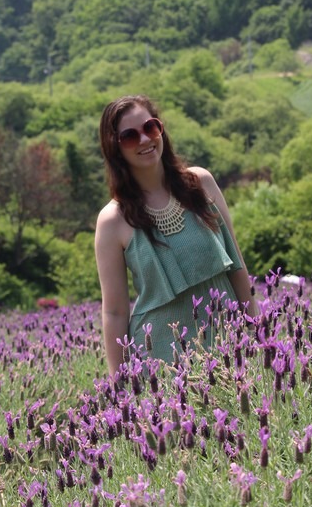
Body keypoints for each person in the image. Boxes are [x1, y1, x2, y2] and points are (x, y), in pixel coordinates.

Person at [95, 94, 258, 375]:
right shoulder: (112, 220)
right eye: (130, 136)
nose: (145, 140)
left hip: (230, 345)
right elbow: (114, 312)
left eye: (150, 127)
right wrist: (119, 384)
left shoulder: (201, 183)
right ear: (115, 148)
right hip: (161, 364)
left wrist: (257, 332)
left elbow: (237, 266)